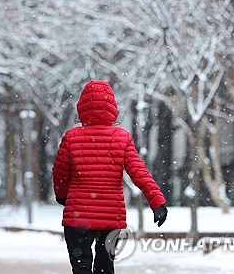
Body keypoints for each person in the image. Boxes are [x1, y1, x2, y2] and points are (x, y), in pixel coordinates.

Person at [52, 80, 168, 274]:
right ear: (112, 107)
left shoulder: (71, 137)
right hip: (110, 218)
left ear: (81, 106)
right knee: (105, 267)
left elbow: (60, 173)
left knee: (81, 268)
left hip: (78, 216)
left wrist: (62, 196)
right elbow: (139, 171)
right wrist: (157, 202)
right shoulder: (122, 138)